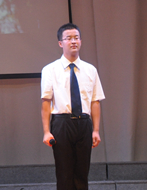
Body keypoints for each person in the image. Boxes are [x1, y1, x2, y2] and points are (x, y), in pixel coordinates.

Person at [41, 23, 105, 190]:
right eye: (68, 38)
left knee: (82, 173)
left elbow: (95, 101)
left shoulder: (90, 70)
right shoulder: (50, 70)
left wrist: (96, 130)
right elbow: (46, 102)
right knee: (64, 173)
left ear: (81, 41)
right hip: (62, 123)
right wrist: (47, 131)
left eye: (76, 38)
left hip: (84, 123)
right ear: (60, 43)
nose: (73, 41)